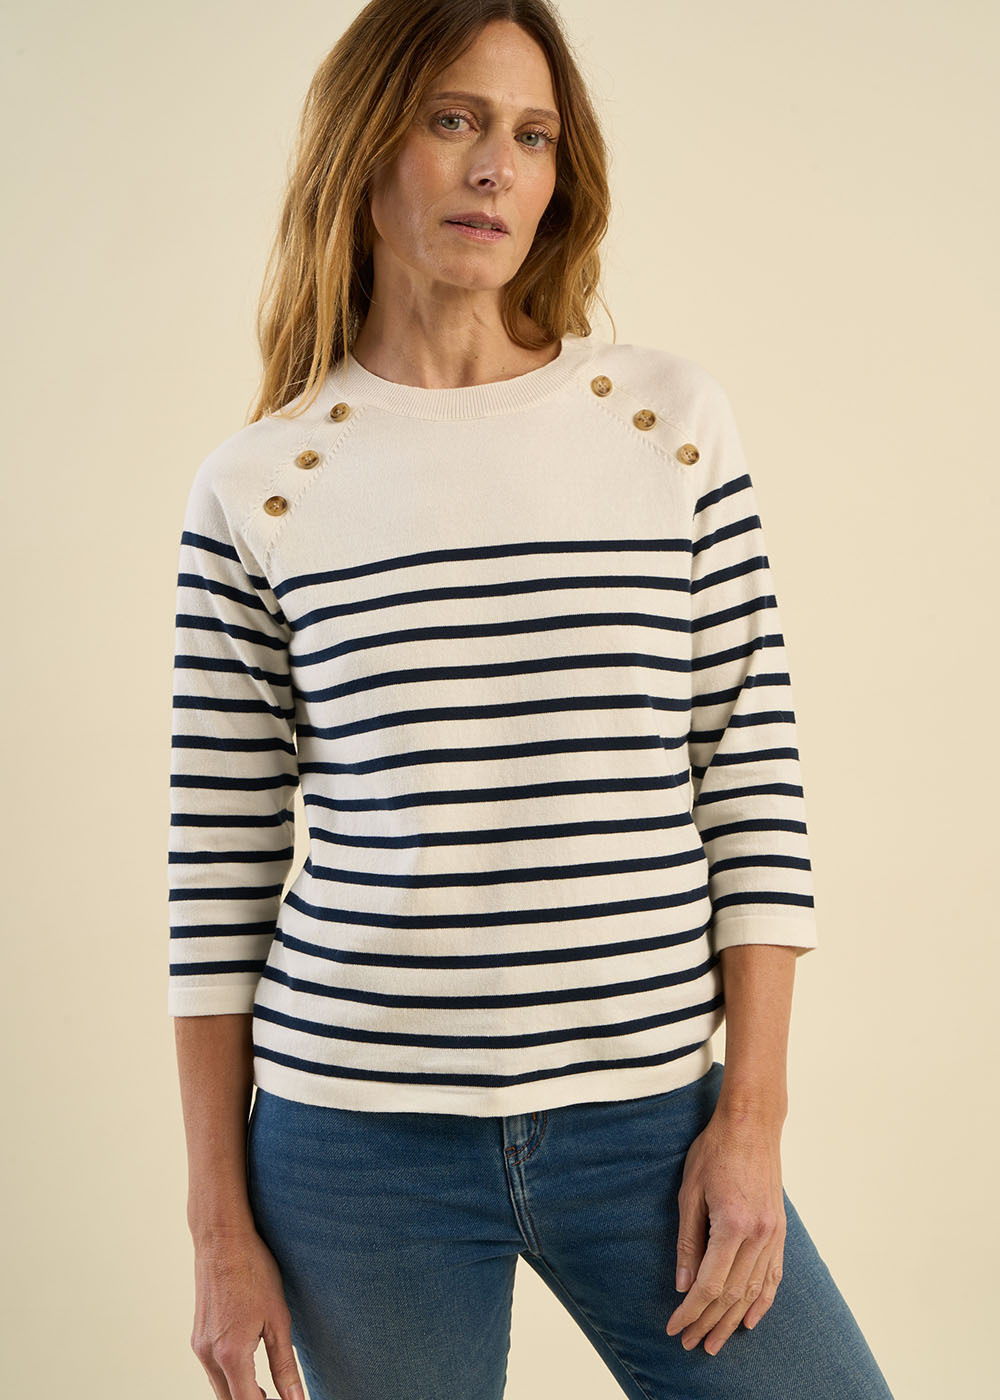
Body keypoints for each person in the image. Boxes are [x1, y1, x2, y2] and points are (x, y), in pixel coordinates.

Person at [168, 3, 895, 1398]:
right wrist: (217, 1230)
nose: (495, 166)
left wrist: (750, 1120)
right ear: (364, 147)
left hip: (651, 1129)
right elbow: (217, 875)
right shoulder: (261, 483)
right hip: (355, 1149)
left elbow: (751, 785)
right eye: (453, 121)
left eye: (532, 134)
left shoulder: (665, 424)